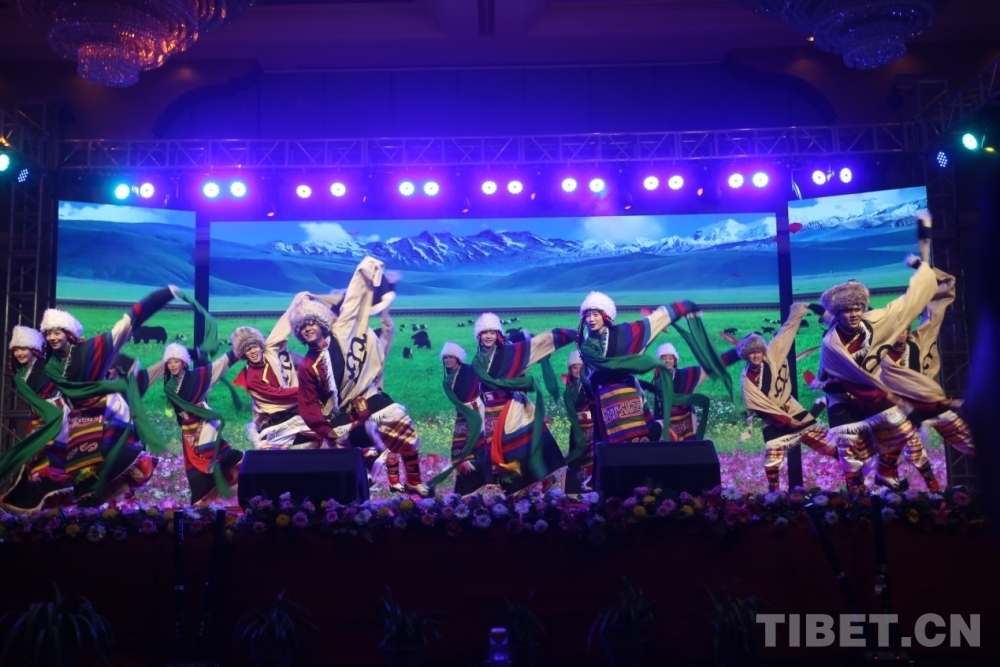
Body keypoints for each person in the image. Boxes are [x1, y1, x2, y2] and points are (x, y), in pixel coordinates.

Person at [812, 212, 940, 493]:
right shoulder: (831, 345)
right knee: (849, 452)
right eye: (847, 310)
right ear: (838, 314)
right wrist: (894, 398)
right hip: (843, 396)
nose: (854, 313)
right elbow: (856, 381)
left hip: (872, 390)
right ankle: (856, 500)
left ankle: (885, 471)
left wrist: (922, 271)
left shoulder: (874, 321)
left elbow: (905, 306)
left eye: (858, 308)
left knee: (903, 429)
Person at [295, 257, 433, 497]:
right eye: (301, 327)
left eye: (311, 323)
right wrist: (325, 429)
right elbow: (308, 404)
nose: (307, 328)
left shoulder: (341, 331)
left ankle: (413, 481)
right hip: (341, 412)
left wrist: (366, 270)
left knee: (404, 428)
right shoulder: (308, 366)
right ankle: (351, 494)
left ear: (321, 324)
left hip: (369, 396)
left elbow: (353, 300)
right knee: (347, 451)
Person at [38, 288, 177, 505]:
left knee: (109, 456)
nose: (52, 337)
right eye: (48, 333)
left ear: (69, 332)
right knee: (79, 476)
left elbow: (124, 326)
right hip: (76, 419)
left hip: (103, 412)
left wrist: (162, 296)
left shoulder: (91, 349)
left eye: (57, 332)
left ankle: (130, 474)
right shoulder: (53, 364)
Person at [471, 313, 575, 496]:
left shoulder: (510, 353)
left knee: (521, 444)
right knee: (497, 450)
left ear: (498, 334)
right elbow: (490, 383)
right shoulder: (477, 361)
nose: (488, 336)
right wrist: (522, 383)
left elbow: (537, 345)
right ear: (479, 335)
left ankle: (534, 483)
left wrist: (570, 335)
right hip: (492, 410)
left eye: (492, 332)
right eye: (485, 332)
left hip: (513, 406)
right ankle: (510, 494)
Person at [737, 304, 837, 492]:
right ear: (746, 356)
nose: (756, 355)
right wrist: (787, 421)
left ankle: (855, 480)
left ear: (763, 351)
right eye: (751, 353)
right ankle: (775, 495)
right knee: (772, 460)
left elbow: (785, 333)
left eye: (758, 351)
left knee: (827, 444)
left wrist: (797, 313)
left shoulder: (772, 354)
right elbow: (760, 407)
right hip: (772, 417)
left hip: (791, 407)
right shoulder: (747, 380)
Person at [576, 291, 699, 444]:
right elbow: (605, 365)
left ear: (605, 315)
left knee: (642, 434)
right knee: (614, 442)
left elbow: (651, 323)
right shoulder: (586, 346)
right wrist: (638, 363)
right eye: (587, 315)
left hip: (630, 390)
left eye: (595, 314)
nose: (591, 319)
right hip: (608, 396)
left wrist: (681, 307)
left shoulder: (622, 332)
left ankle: (660, 435)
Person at [880, 268, 974, 459]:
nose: (900, 335)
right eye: (895, 332)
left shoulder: (919, 341)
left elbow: (935, 309)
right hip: (903, 412)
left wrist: (923, 268)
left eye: (903, 330)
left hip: (932, 405)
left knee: (971, 445)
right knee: (888, 458)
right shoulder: (880, 356)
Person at [232, 291, 341, 449]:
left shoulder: (270, 351)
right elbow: (278, 395)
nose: (253, 351)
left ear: (261, 346)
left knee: (329, 436)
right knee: (326, 435)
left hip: (297, 413)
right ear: (243, 354)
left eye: (254, 346)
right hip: (279, 423)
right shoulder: (251, 377)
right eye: (247, 349)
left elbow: (282, 327)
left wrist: (299, 300)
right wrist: (310, 389)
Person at [136, 343, 243, 505]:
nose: (172, 365)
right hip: (188, 429)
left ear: (184, 363)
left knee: (210, 453)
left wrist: (239, 348)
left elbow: (220, 364)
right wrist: (185, 422)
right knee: (195, 469)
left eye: (176, 361)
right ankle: (203, 503)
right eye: (169, 362)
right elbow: (178, 411)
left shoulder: (198, 377)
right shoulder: (169, 386)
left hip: (205, 420)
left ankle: (222, 469)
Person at [0, 326, 73, 512]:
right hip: (39, 417)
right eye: (16, 349)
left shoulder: (48, 364)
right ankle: (42, 508)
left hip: (57, 414)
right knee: (34, 461)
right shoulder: (19, 376)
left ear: (34, 349)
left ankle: (62, 504)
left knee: (53, 457)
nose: (20, 353)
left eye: (24, 348)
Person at [651, 339, 741, 441]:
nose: (667, 361)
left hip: (686, 425)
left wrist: (737, 353)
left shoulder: (685, 375)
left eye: (670, 358)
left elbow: (709, 367)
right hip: (668, 426)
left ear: (675, 360)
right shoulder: (658, 380)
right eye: (664, 358)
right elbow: (658, 405)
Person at [439, 341, 492, 497]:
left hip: (480, 410)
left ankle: (489, 477)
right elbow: (456, 401)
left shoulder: (470, 370)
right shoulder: (447, 381)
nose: (448, 360)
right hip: (464, 415)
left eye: (451, 357)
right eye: (445, 357)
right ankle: (468, 489)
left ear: (457, 358)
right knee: (463, 451)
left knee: (485, 443)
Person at [563, 349, 596, 494]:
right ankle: (574, 491)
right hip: (577, 428)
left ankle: (593, 488)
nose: (578, 370)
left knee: (593, 457)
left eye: (581, 367)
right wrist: (577, 432)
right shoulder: (568, 391)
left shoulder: (591, 386)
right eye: (575, 367)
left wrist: (584, 379)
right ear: (570, 370)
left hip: (593, 426)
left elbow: (593, 396)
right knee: (577, 459)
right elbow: (572, 415)